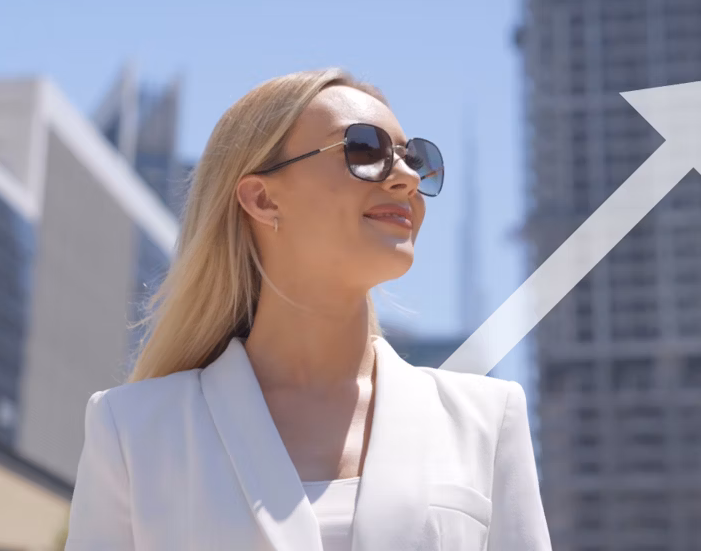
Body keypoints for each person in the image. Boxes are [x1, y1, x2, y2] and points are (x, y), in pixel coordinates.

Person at [64, 68, 551, 551]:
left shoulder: (487, 420)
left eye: (414, 159)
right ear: (262, 198)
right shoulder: (132, 430)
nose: (405, 177)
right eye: (364, 150)